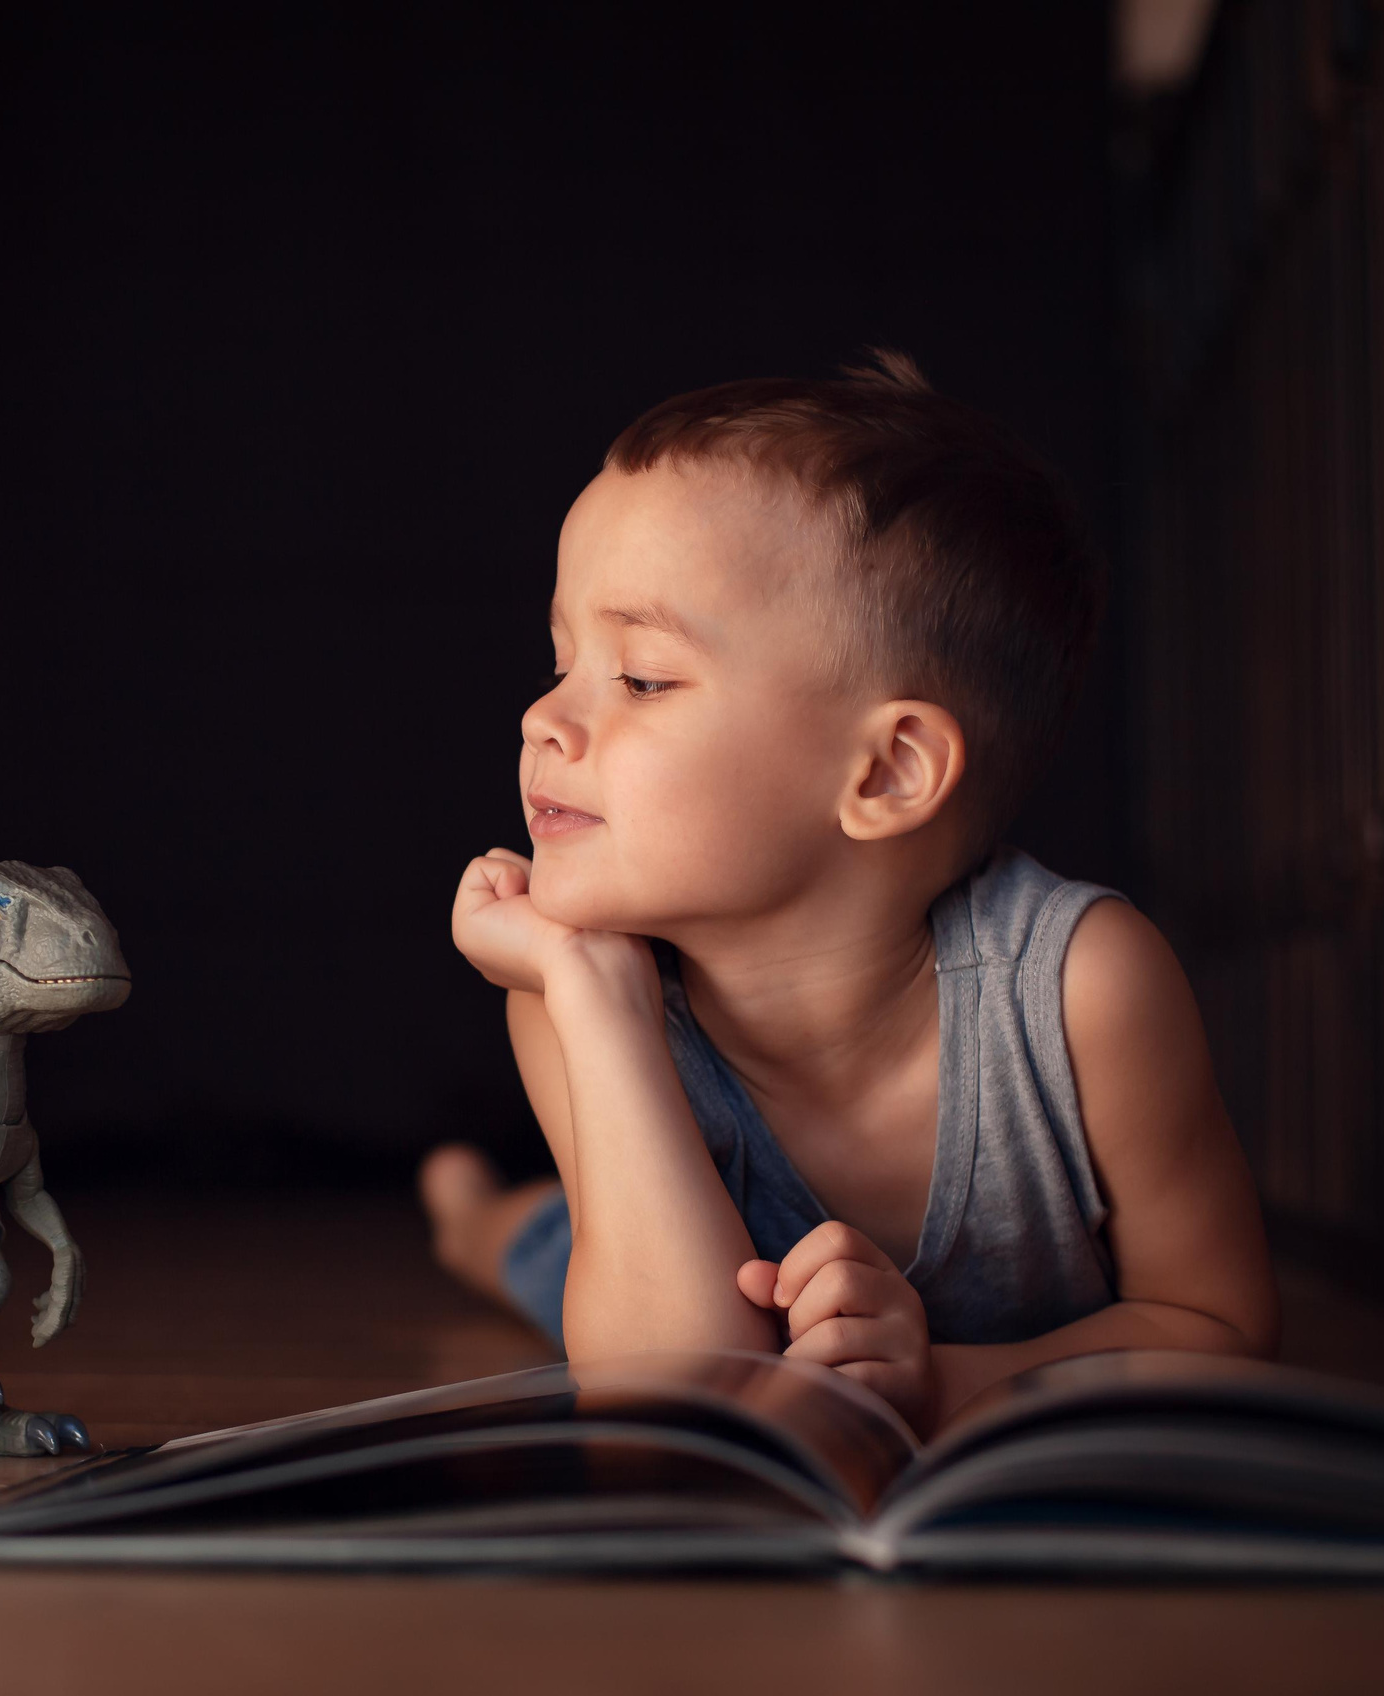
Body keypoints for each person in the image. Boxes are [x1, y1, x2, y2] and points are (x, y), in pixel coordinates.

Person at [419, 351, 1278, 1438]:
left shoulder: (1080, 991)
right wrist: (590, 991)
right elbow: (669, 1396)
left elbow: (1216, 1325)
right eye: (559, 663)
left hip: (976, 1367)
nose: (542, 719)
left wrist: (940, 1381)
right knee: (542, 1255)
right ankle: (471, 1215)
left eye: (641, 677)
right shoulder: (573, 988)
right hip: (644, 1274)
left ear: (884, 774)